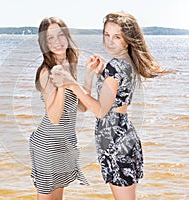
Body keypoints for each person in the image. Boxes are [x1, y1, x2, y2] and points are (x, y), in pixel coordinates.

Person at [50, 11, 170, 200]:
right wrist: (98, 74)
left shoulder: (115, 66)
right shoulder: (125, 63)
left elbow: (100, 111)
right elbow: (114, 100)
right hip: (121, 136)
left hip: (116, 142)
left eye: (117, 37)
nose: (109, 41)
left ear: (128, 39)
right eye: (106, 35)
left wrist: (71, 83)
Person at [29, 17, 89, 200]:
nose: (57, 42)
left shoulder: (69, 65)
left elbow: (82, 106)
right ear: (44, 44)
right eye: (50, 39)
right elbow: (54, 117)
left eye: (60, 35)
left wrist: (90, 77)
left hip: (65, 144)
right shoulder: (46, 72)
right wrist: (63, 84)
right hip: (47, 144)